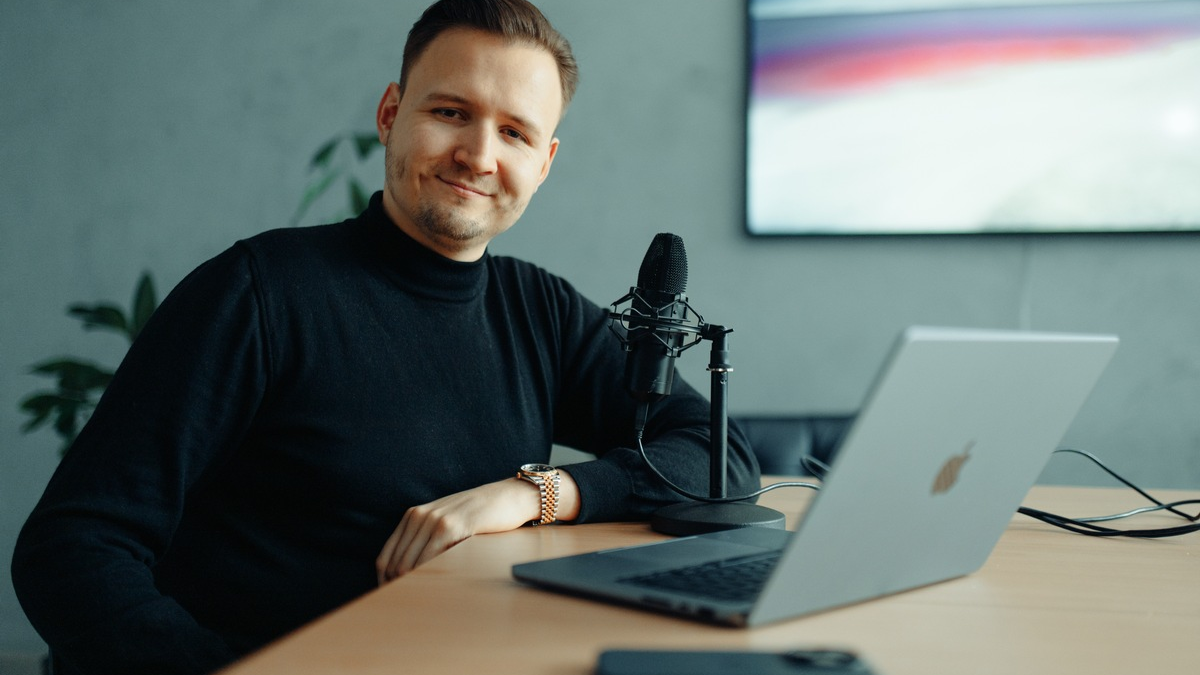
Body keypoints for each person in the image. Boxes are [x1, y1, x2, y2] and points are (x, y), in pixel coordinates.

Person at [11, 1, 761, 673]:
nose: (478, 154)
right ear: (390, 113)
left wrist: (538, 492)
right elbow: (71, 551)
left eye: (513, 132)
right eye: (450, 112)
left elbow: (719, 453)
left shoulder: (541, 309)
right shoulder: (257, 293)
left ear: (545, 164)